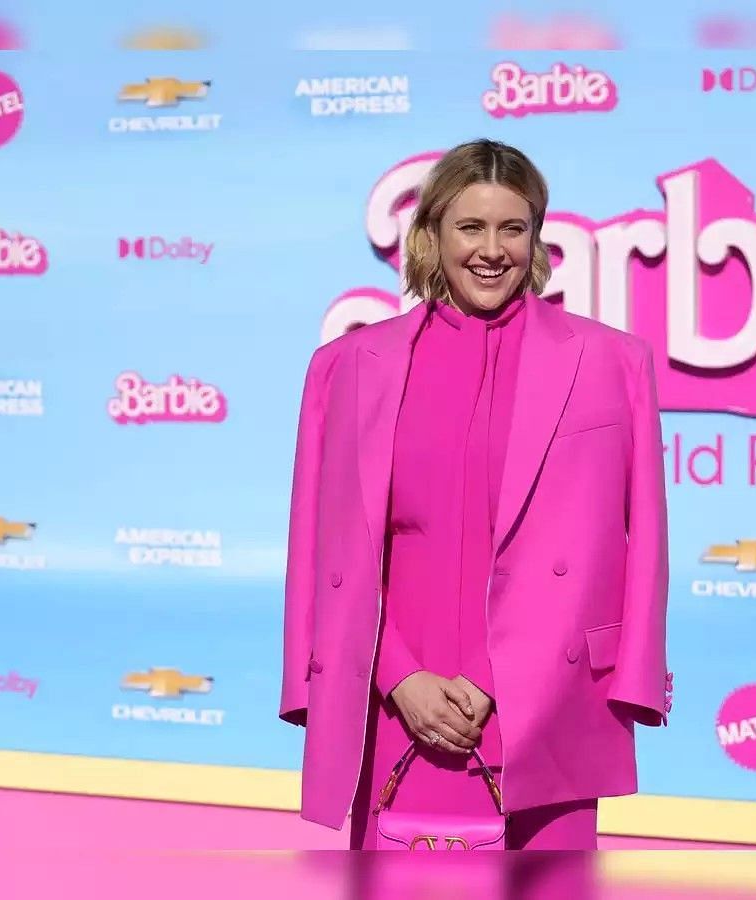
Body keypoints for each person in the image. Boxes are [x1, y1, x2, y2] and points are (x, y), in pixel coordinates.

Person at [279, 138, 670, 850]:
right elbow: (323, 550)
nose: (492, 250)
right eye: (471, 227)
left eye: (512, 228)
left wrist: (508, 677)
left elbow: (640, 541)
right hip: (394, 705)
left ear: (536, 237)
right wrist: (400, 679)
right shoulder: (347, 368)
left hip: (550, 701)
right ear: (431, 234)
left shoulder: (613, 363)